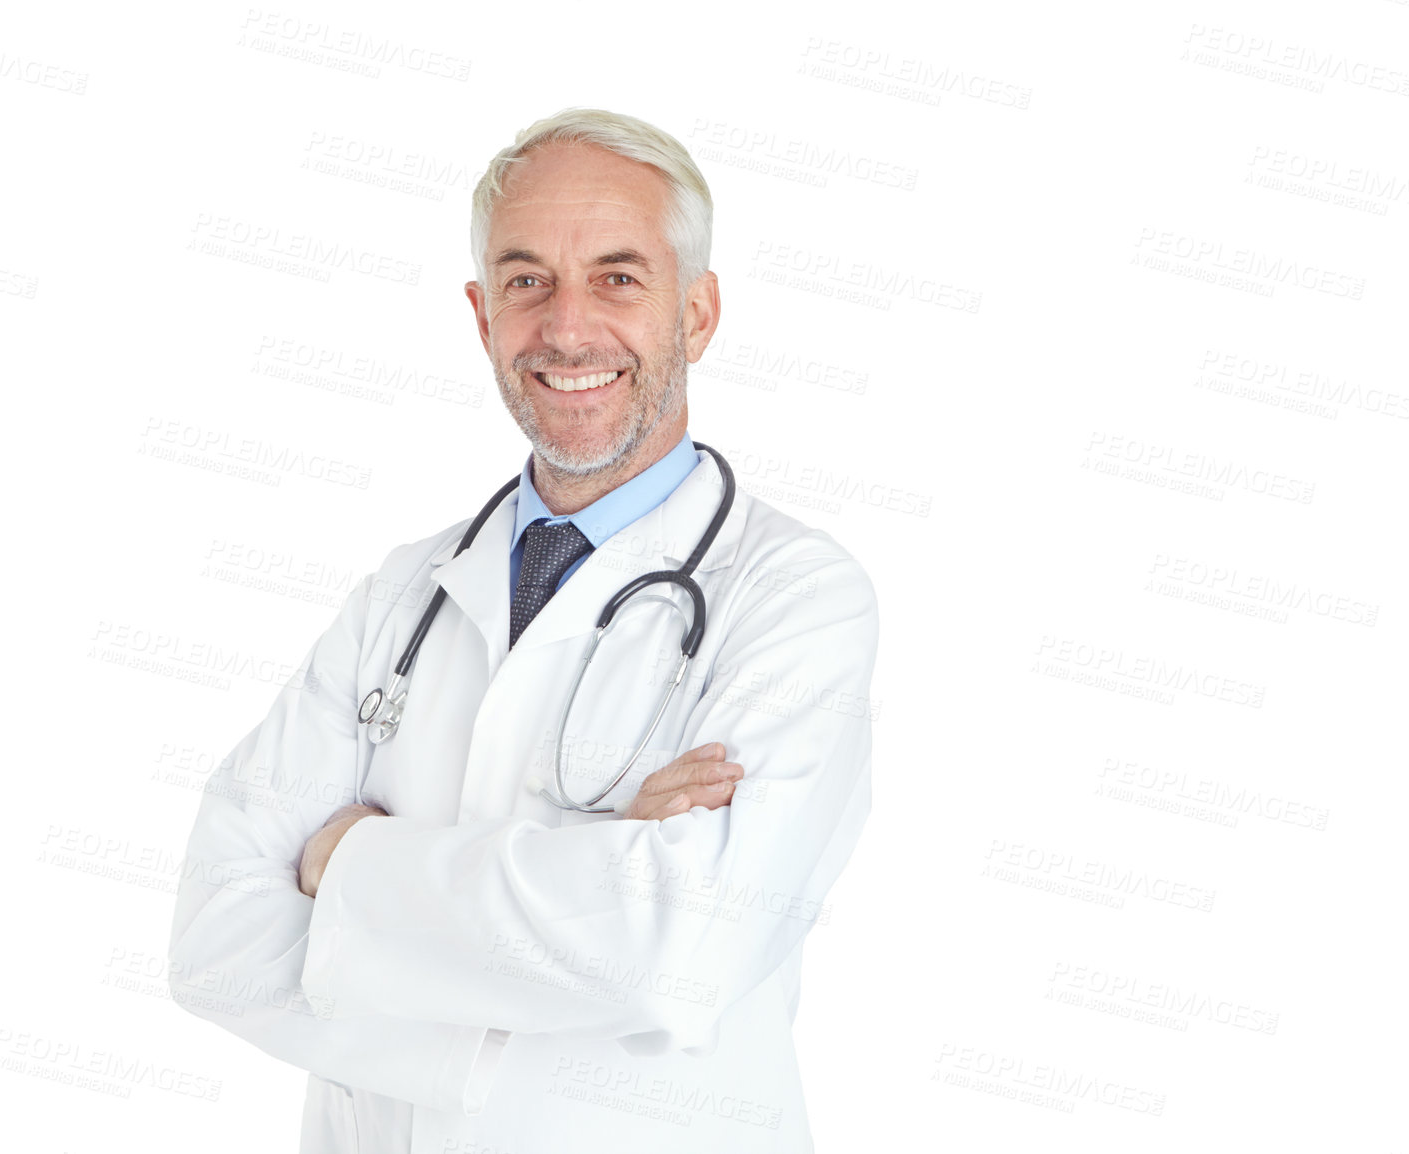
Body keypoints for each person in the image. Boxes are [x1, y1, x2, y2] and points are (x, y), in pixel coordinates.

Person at [169, 107, 879, 1153]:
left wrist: (350, 859)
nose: (567, 327)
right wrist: (590, 882)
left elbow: (677, 947)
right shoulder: (400, 594)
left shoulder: (795, 598)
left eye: (619, 278)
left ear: (698, 313)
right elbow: (213, 939)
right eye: (525, 279)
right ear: (481, 313)